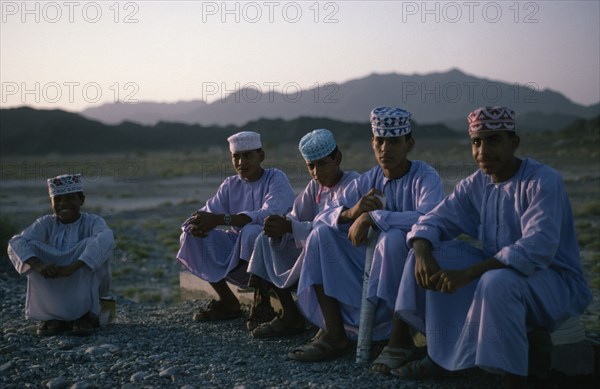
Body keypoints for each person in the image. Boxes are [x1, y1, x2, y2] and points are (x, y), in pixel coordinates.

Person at [387, 106, 592, 388]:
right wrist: (421, 250)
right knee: (436, 253)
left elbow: (537, 248)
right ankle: (442, 355)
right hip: (498, 275)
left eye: (493, 140)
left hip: (555, 282)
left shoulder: (543, 180)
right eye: (476, 142)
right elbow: (433, 220)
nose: (483, 151)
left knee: (496, 281)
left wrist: (470, 273)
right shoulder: (476, 184)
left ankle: (512, 379)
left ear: (514, 142)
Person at [287, 107, 445, 362]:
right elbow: (323, 216)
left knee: (392, 239)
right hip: (368, 267)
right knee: (320, 235)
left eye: (394, 141)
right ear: (372, 142)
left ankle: (400, 339)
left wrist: (373, 217)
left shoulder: (425, 177)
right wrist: (352, 213)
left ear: (409, 144)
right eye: (379, 141)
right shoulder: (367, 180)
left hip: (408, 267)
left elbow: (430, 216)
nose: (385, 149)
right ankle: (334, 333)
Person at [247, 129, 360, 338]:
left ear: (338, 158)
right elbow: (296, 216)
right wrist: (281, 224)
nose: (317, 172)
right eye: (311, 166)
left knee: (320, 241)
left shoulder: (353, 184)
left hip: (344, 257)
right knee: (266, 238)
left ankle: (332, 331)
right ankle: (290, 314)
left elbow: (333, 229)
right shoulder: (314, 187)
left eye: (322, 163)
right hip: (313, 246)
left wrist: (290, 227)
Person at [176, 131, 295, 323]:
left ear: (261, 156)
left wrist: (222, 219)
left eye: (247, 155)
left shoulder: (275, 178)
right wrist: (196, 224)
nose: (241, 163)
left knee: (253, 232)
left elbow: (267, 215)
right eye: (236, 157)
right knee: (190, 235)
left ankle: (262, 303)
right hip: (240, 252)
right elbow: (209, 211)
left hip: (278, 250)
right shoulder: (230, 184)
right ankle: (228, 301)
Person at [7, 173, 115, 336]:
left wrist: (73, 267)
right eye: (57, 199)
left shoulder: (93, 221)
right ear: (51, 202)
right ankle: (52, 316)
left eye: (70, 198)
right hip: (53, 276)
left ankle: (85, 315)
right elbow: (16, 243)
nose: (63, 204)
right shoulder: (45, 223)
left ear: (81, 200)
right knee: (29, 246)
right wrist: (39, 264)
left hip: (81, 275)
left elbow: (106, 239)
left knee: (96, 243)